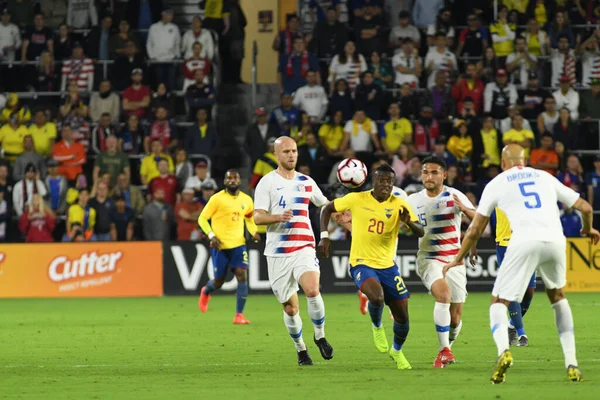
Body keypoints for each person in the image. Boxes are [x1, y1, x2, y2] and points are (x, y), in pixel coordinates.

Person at [443, 144, 598, 384]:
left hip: (523, 240)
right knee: (558, 297)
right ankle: (572, 364)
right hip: (556, 241)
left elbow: (475, 229)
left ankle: (504, 351)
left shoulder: (497, 183)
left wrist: (457, 258)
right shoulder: (545, 176)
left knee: (498, 301)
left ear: (504, 163)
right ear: (524, 161)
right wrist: (588, 229)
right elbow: (586, 207)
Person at [319, 164, 423, 369]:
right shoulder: (356, 199)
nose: (386, 184)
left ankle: (397, 351)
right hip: (361, 263)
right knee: (376, 297)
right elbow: (327, 208)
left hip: (388, 266)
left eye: (390, 181)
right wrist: (324, 236)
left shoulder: (400, 204)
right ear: (373, 181)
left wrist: (408, 223)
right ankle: (377, 325)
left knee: (403, 316)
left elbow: (420, 232)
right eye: (382, 180)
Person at [253, 136, 334, 366]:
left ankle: (320, 335)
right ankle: (301, 349)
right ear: (276, 155)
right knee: (291, 308)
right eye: (286, 151)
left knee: (312, 289)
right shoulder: (266, 183)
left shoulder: (306, 181)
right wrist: (277, 217)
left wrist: (340, 213)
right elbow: (257, 216)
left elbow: (325, 204)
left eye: (294, 151)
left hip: (304, 246)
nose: (291, 155)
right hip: (278, 253)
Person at [406, 156, 476, 367]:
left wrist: (464, 209)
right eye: (426, 172)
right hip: (428, 258)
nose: (429, 176)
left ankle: (446, 349)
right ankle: (444, 350)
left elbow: (478, 219)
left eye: (434, 172)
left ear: (444, 175)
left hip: (454, 260)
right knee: (443, 295)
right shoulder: (412, 200)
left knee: (455, 319)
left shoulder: (455, 195)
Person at [198, 170, 260, 324]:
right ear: (225, 182)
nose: (232, 180)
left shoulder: (247, 200)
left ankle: (239, 315)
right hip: (220, 246)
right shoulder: (217, 199)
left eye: (235, 178)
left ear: (239, 181)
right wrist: (211, 236)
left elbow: (249, 219)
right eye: (229, 178)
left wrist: (253, 232)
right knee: (219, 282)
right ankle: (206, 291)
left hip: (239, 245)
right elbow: (202, 219)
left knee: (241, 275)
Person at [491, 206, 536, 348]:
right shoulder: (498, 188)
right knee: (512, 289)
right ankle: (522, 334)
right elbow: (482, 215)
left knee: (529, 293)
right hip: (505, 244)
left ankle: (511, 325)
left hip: (527, 243)